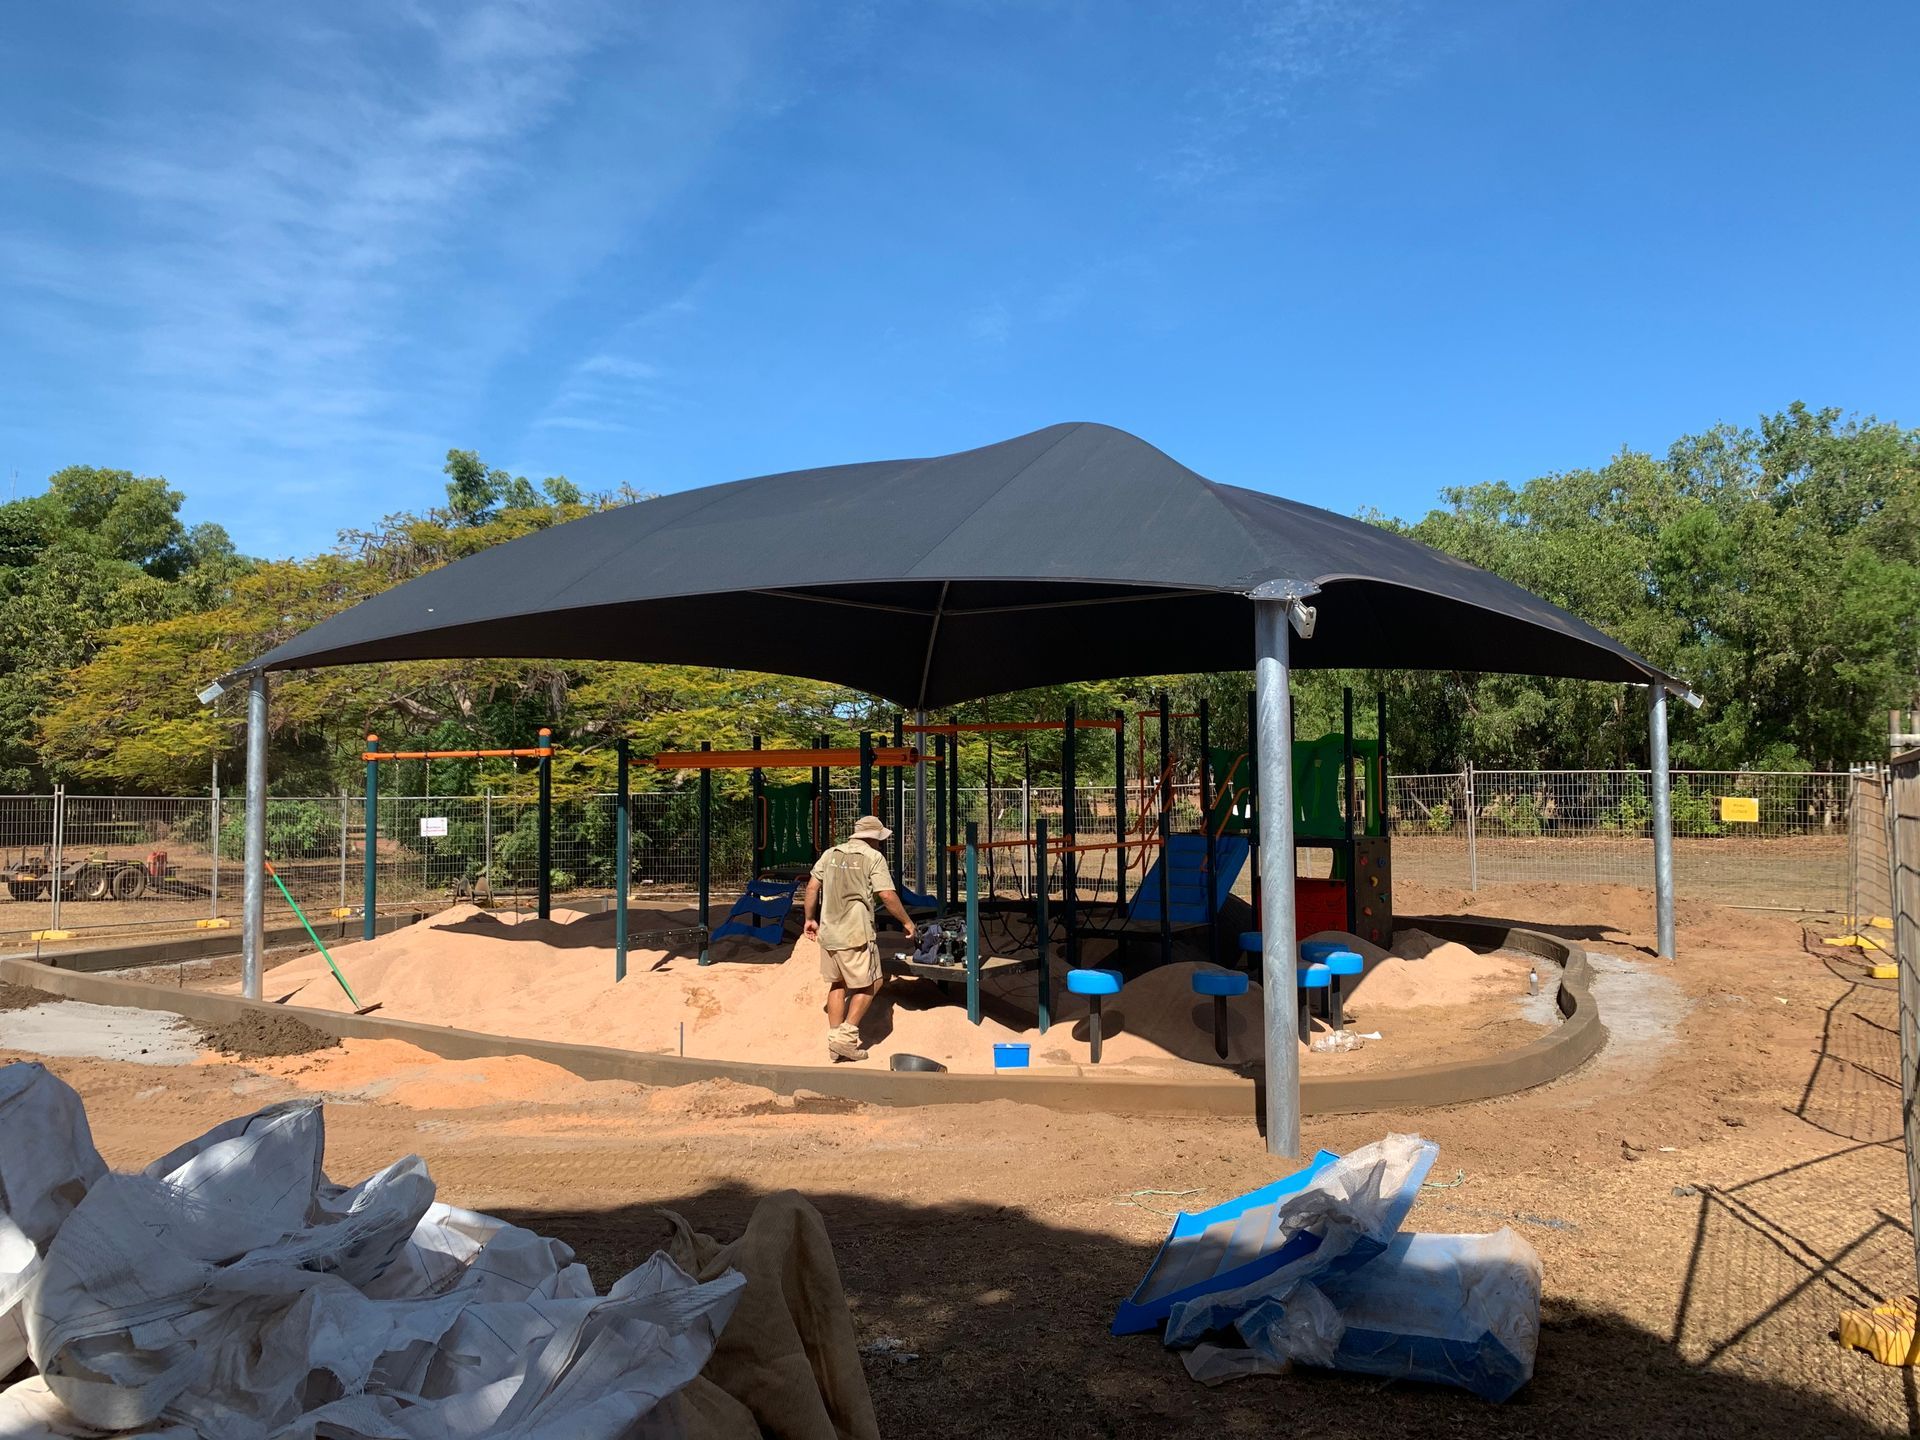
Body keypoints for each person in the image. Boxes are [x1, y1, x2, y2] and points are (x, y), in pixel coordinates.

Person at [802, 815, 915, 1061]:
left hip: (829, 931)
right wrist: (906, 921)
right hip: (856, 932)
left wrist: (810, 918)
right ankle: (846, 1036)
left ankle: (834, 1041)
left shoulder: (830, 854)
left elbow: (811, 887)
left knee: (838, 983)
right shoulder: (873, 857)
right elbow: (886, 894)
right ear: (874, 838)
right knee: (872, 983)